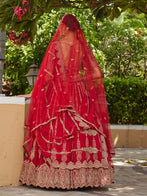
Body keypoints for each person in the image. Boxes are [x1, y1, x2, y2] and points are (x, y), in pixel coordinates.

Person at [20, 14, 115, 189]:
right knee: (83, 127)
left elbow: (47, 75)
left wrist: (33, 93)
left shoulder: (56, 45)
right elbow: (96, 74)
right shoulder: (80, 46)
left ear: (64, 26)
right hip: (79, 93)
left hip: (59, 93)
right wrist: (80, 80)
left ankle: (55, 178)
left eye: (61, 25)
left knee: (57, 128)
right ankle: (85, 178)